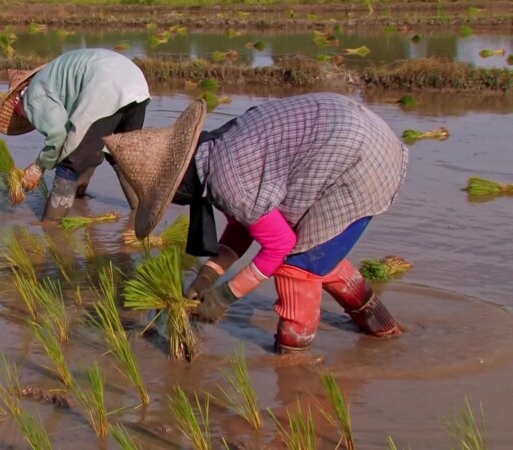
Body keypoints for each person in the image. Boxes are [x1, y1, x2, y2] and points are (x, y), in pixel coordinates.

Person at [103, 93, 409, 354]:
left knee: (297, 266)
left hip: (360, 160)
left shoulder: (227, 181)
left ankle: (294, 362)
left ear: (180, 187)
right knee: (316, 251)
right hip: (363, 134)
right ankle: (382, 328)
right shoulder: (219, 151)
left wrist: (226, 296)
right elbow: (245, 224)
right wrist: (206, 278)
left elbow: (278, 246)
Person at [0, 48, 150, 220]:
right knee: (122, 158)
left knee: (70, 163)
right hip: (135, 82)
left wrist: (38, 167)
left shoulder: (32, 96)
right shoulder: (53, 81)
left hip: (104, 84)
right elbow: (90, 140)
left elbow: (58, 134)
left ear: (17, 104)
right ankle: (142, 218)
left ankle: (50, 228)